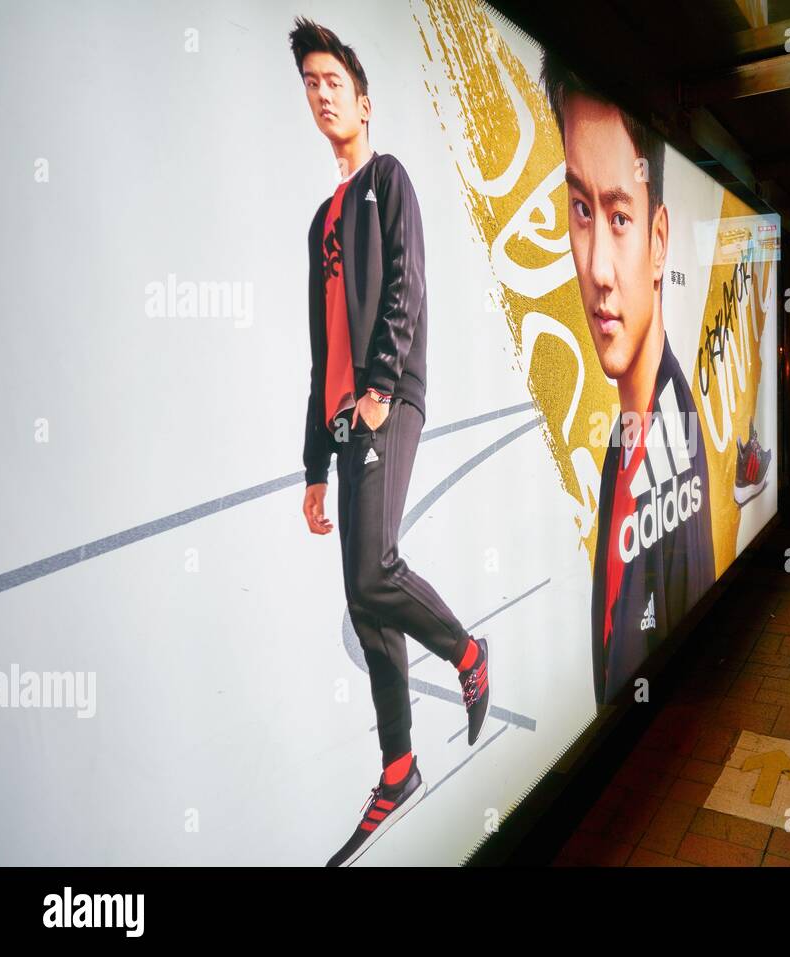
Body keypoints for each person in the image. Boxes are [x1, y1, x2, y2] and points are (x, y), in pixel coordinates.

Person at [290, 17, 489, 867]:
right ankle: (398, 763)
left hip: (388, 398)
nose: (322, 91)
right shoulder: (318, 223)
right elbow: (316, 349)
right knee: (368, 599)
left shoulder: (386, 181)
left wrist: (377, 389)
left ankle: (468, 650)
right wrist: (311, 464)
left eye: (333, 79)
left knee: (374, 572)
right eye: (311, 83)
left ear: (363, 101)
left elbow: (405, 282)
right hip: (340, 422)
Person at [541, 54, 715, 709]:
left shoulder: (673, 436)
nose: (597, 268)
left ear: (659, 239)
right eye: (581, 210)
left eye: (618, 216)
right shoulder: (630, 438)